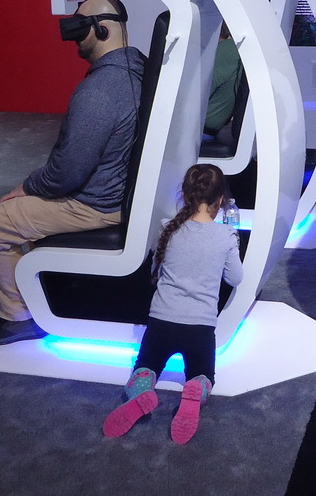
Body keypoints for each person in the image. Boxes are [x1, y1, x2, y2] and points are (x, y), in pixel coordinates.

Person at [0, 0, 144, 345]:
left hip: (97, 204)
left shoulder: (99, 91)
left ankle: (18, 316)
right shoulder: (138, 68)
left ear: (102, 29)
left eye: (80, 25)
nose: (72, 34)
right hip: (118, 194)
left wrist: (28, 186)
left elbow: (66, 174)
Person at [102, 163, 243, 444]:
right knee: (203, 375)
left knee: (145, 367)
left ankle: (142, 390)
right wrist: (233, 239)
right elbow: (235, 278)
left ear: (185, 195)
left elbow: (157, 268)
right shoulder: (225, 236)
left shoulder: (168, 228)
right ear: (220, 201)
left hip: (161, 322)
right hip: (200, 328)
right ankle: (196, 388)